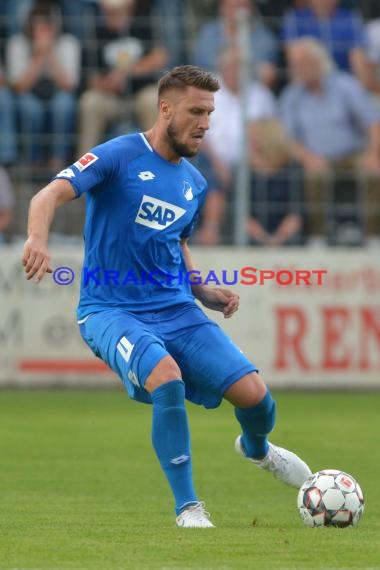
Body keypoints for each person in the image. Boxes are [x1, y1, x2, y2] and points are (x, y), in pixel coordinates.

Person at [22, 65, 311, 528]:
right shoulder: (118, 155)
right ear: (165, 108)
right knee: (166, 376)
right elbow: (47, 196)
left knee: (257, 399)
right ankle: (189, 507)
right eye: (196, 111)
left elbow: (176, 243)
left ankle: (258, 451)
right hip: (109, 309)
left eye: (210, 113)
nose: (206, 123)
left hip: (176, 308)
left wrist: (201, 289)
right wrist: (37, 239)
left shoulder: (193, 183)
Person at [280, 38, 380, 244]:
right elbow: (288, 138)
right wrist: (308, 157)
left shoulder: (344, 85)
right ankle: (318, 236)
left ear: (317, 61)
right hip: (315, 158)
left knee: (372, 172)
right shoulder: (291, 96)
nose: (297, 68)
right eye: (294, 64)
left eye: (302, 62)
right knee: (315, 175)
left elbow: (373, 122)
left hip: (353, 154)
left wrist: (372, 154)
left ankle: (372, 236)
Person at [195, 45, 277, 245]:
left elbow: (270, 134)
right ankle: (210, 231)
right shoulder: (205, 91)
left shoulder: (260, 95)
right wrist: (218, 163)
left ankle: (249, 235)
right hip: (209, 157)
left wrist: (255, 155)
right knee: (206, 172)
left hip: (250, 160)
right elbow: (196, 131)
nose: (236, 71)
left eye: (241, 66)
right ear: (221, 68)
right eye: (232, 66)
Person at [77, 0, 168, 156]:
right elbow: (89, 78)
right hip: (110, 98)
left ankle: (160, 161)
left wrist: (128, 72)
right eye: (111, 13)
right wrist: (108, 84)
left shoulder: (143, 25)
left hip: (140, 94)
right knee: (90, 102)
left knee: (154, 98)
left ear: (129, 10)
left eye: (119, 12)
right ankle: (83, 168)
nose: (115, 16)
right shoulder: (95, 32)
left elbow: (160, 56)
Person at [6, 2, 80, 170]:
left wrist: (50, 55)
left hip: (59, 92)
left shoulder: (68, 43)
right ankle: (34, 161)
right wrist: (39, 56)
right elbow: (19, 87)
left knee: (64, 105)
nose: (43, 31)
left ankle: (58, 160)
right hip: (29, 93)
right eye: (38, 26)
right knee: (29, 108)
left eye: (47, 26)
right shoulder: (17, 43)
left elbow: (69, 86)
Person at [281, 0, 374, 88]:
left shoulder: (350, 18)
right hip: (307, 83)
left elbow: (357, 56)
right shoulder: (295, 18)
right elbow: (292, 56)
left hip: (342, 82)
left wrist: (361, 90)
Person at [193, 0, 279, 89]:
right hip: (215, 90)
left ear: (252, 8)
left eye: (242, 6)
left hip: (253, 91)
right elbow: (201, 70)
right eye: (232, 6)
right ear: (222, 7)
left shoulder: (265, 37)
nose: (237, 12)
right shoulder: (207, 34)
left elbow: (267, 75)